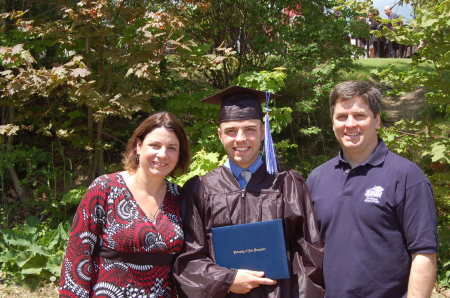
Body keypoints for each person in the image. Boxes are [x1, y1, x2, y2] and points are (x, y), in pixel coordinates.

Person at [174, 86, 324, 298]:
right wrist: (228, 280)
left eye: (250, 129)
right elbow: (189, 259)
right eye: (231, 131)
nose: (240, 139)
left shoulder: (288, 184)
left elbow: (310, 254)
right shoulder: (200, 189)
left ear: (263, 132)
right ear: (219, 135)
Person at [306, 81, 438, 298]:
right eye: (341, 117)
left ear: (376, 120)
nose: (350, 124)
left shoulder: (407, 176)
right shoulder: (317, 178)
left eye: (359, 115)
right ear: (332, 123)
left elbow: (423, 254)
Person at [59, 111, 190, 297]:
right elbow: (77, 256)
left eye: (172, 148)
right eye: (155, 145)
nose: (162, 154)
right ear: (138, 146)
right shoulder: (105, 188)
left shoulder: (180, 197)